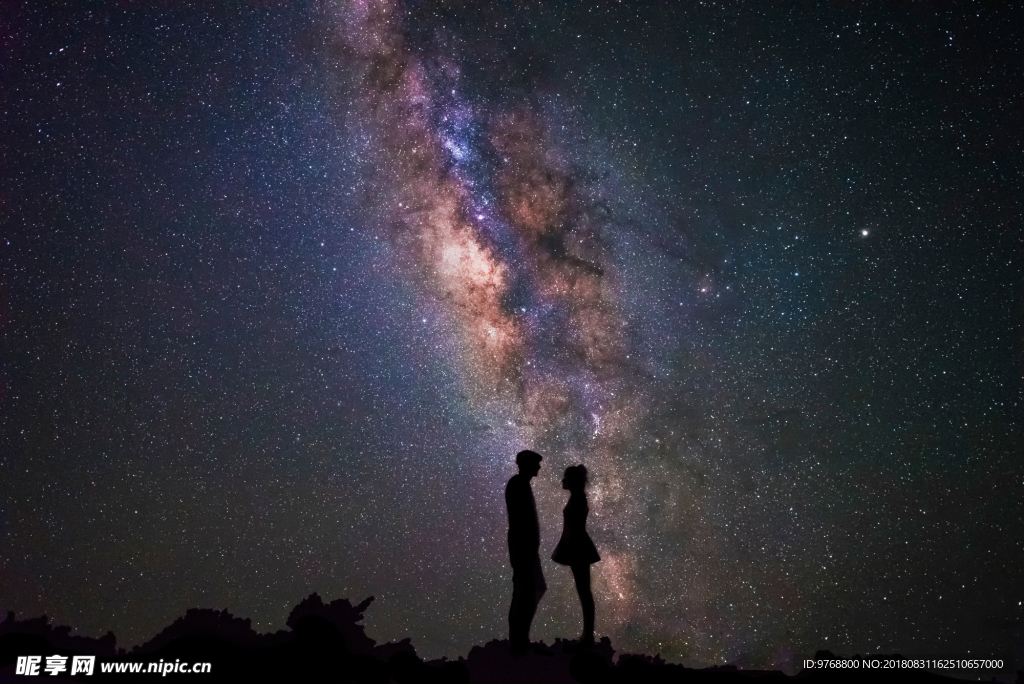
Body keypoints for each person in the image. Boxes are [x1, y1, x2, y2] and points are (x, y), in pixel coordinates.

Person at [551, 464, 600, 648]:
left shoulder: (578, 498)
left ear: (573, 481)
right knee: (584, 591)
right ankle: (587, 636)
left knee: (584, 592)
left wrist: (567, 549)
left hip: (578, 547)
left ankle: (588, 637)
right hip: (577, 547)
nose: (562, 481)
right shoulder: (577, 497)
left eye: (566, 478)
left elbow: (575, 528)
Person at [505, 449, 546, 656]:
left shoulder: (521, 484)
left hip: (527, 549)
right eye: (536, 464)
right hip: (523, 549)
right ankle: (519, 643)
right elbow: (521, 520)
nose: (539, 467)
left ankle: (521, 640)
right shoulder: (518, 484)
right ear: (526, 465)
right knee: (526, 592)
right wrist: (526, 549)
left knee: (533, 590)